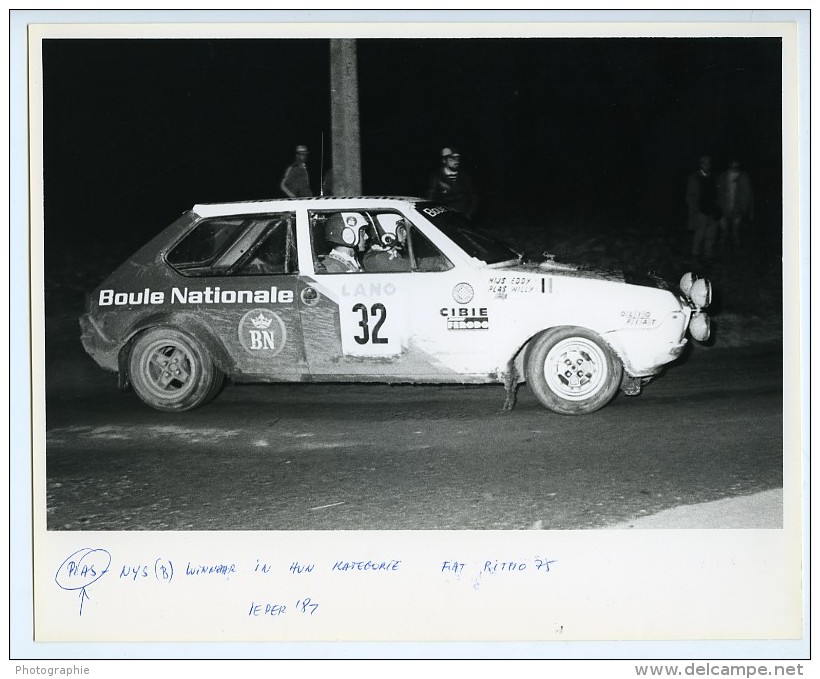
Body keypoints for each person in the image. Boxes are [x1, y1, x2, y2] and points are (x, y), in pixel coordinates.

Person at [685, 154, 722, 262]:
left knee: (711, 234)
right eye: (704, 163)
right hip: (701, 210)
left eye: (708, 163)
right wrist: (694, 209)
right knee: (699, 233)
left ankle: (708, 254)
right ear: (701, 164)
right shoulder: (694, 177)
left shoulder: (714, 177)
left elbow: (718, 194)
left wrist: (719, 207)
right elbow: (690, 196)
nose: (707, 165)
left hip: (713, 210)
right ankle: (695, 254)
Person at [426, 147, 477, 218]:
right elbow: (430, 199)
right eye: (452, 158)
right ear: (444, 160)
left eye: (457, 158)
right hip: (444, 217)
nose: (456, 161)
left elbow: (473, 197)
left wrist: (468, 214)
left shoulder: (464, 176)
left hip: (463, 217)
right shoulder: (437, 177)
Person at [717, 159, 754, 254]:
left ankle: (736, 252)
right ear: (729, 166)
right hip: (724, 209)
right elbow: (718, 193)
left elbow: (748, 195)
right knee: (723, 231)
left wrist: (746, 210)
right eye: (732, 166)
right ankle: (721, 251)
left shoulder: (744, 177)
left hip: (737, 210)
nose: (734, 168)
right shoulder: (722, 177)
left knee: (736, 231)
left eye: (736, 166)